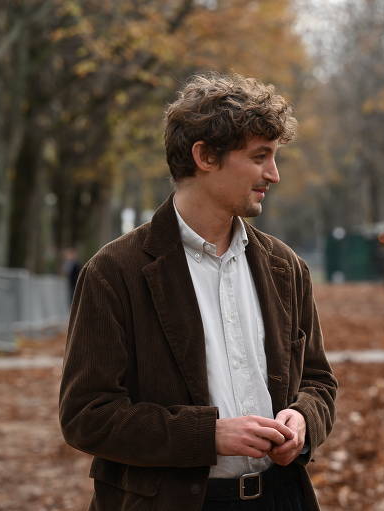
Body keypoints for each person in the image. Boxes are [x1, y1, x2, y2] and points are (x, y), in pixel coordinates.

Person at [59, 73, 338, 511]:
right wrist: (208, 435)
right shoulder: (114, 272)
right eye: (260, 156)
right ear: (205, 156)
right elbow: (86, 416)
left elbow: (319, 382)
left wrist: (303, 421)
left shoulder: (286, 268)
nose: (274, 174)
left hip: (282, 499)